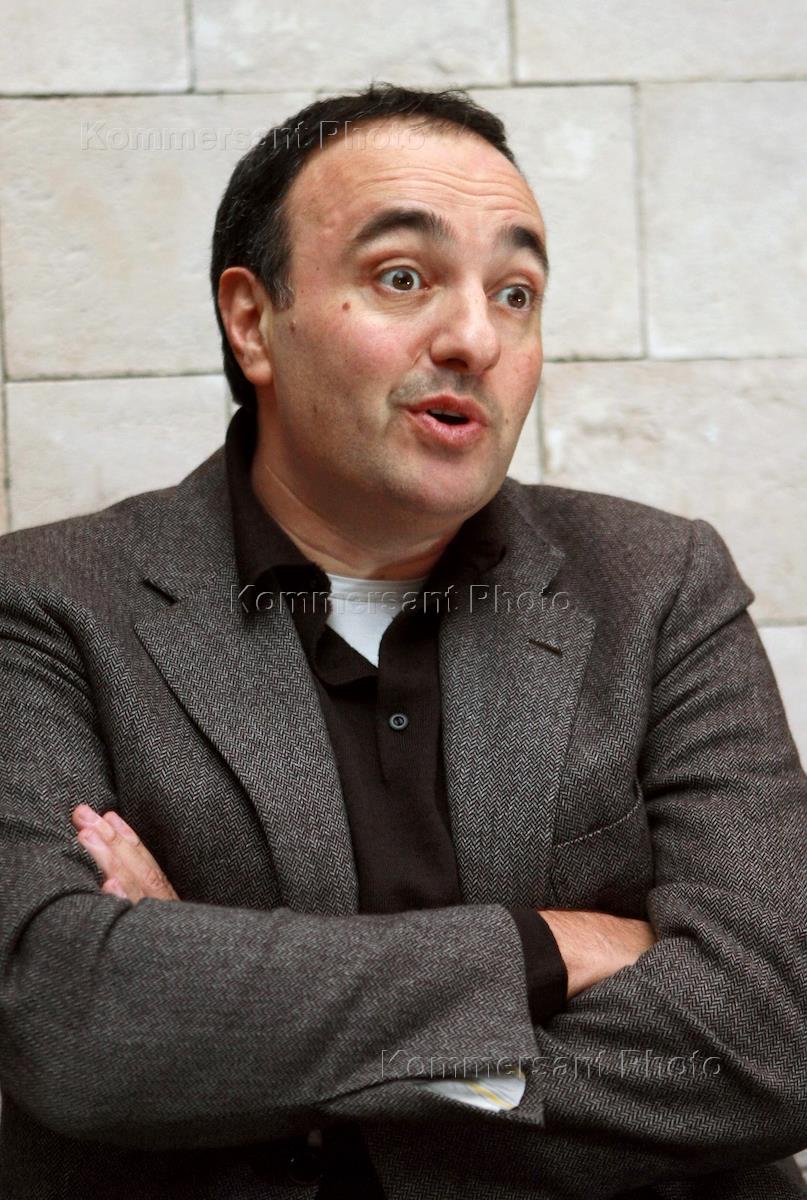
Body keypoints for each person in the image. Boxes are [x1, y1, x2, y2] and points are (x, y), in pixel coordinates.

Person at [0, 83, 805, 1200]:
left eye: (515, 294)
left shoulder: (658, 583)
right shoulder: (43, 604)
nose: (475, 338)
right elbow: (74, 1022)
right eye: (402, 278)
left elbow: (771, 1036)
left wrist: (240, 1042)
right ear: (253, 321)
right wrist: (548, 949)